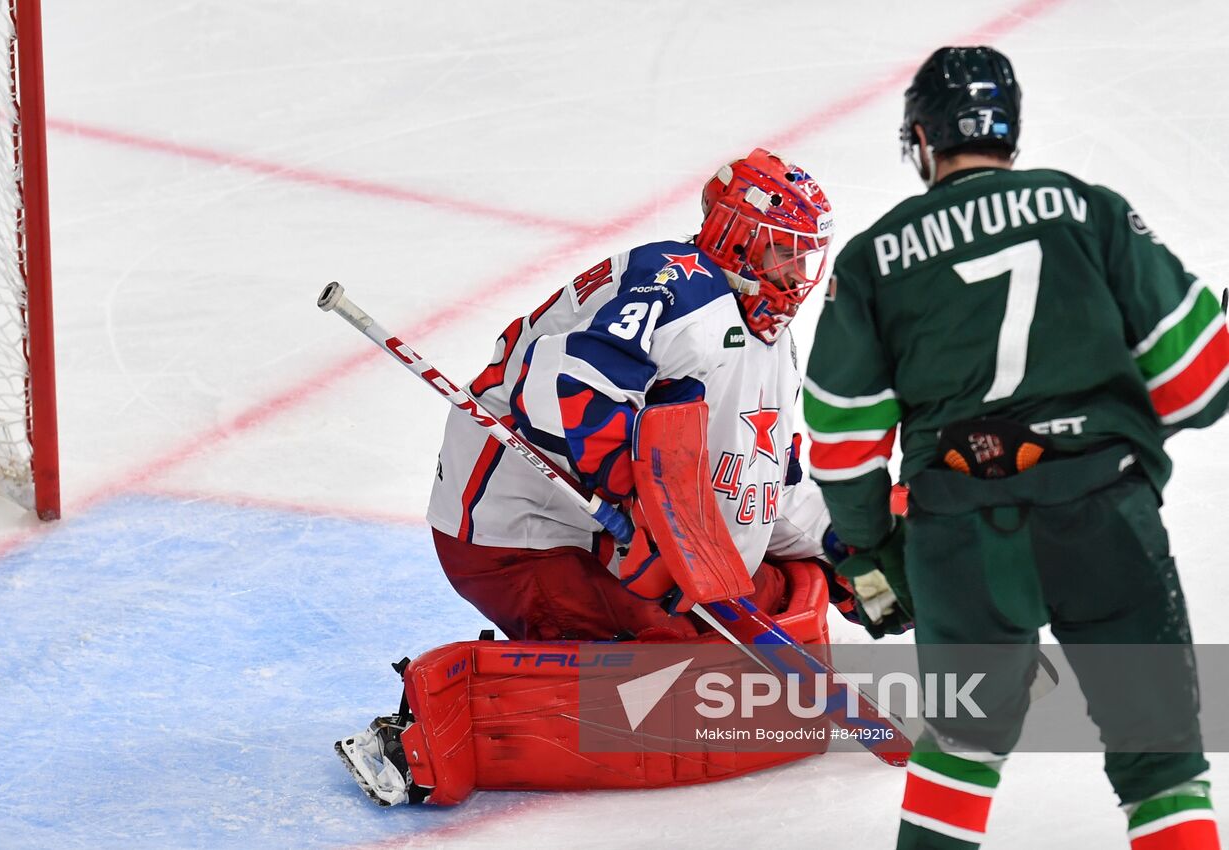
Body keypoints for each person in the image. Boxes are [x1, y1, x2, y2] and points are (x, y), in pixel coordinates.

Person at [336, 149, 903, 806]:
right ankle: (428, 728)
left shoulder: (770, 340)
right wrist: (638, 503)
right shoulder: (675, 286)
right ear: (737, 239)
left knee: (761, 600)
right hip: (521, 535)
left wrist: (843, 551)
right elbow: (558, 388)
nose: (798, 273)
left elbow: (766, 480)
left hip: (619, 536)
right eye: (784, 252)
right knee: (668, 661)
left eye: (805, 256)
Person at [805, 46, 1228, 849]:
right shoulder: (1086, 209)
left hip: (960, 534)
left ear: (922, 138)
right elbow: (1200, 383)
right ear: (1010, 131)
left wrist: (870, 543)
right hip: (1103, 512)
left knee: (960, 749)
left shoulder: (874, 257)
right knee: (1161, 766)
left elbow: (841, 437)